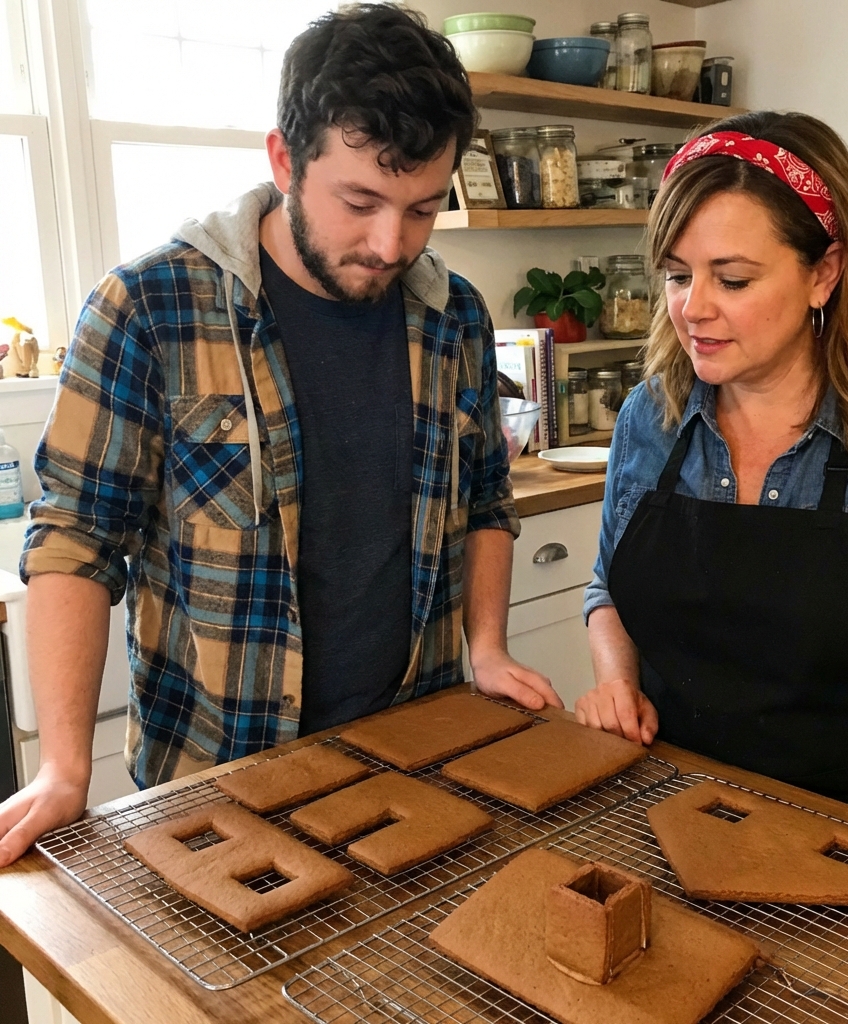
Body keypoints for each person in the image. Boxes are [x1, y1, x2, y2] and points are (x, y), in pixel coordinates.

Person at [0, 3, 559, 868]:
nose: (389, 243)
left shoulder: (456, 317)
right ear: (282, 159)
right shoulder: (151, 307)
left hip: (419, 752)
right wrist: (66, 767)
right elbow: (75, 536)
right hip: (222, 777)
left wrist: (486, 646)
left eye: (420, 209)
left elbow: (485, 495)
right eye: (360, 201)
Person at [575, 111, 848, 883]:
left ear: (824, 271)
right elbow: (606, 584)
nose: (694, 308)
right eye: (678, 275)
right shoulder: (651, 417)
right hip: (675, 839)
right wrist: (616, 680)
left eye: (734, 278)